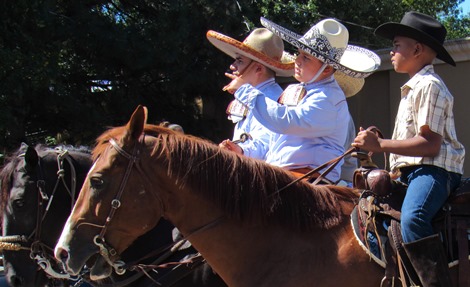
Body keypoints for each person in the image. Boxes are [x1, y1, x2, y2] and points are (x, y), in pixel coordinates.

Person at [352, 11, 465, 286]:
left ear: (417, 49)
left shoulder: (430, 86)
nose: (391, 51)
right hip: (411, 172)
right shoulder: (411, 89)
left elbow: (430, 144)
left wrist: (379, 144)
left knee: (414, 219)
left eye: (397, 45)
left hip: (434, 171)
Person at [222, 17, 380, 183]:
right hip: (291, 178)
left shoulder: (328, 98)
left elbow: (287, 121)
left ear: (326, 69)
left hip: (310, 181)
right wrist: (242, 150)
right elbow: (274, 140)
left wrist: (244, 91)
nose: (297, 60)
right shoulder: (303, 91)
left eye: (306, 58)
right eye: (299, 54)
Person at [206, 28, 295, 159]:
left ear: (258, 68)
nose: (232, 66)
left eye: (239, 61)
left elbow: (266, 146)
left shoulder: (275, 100)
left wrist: (240, 150)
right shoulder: (254, 96)